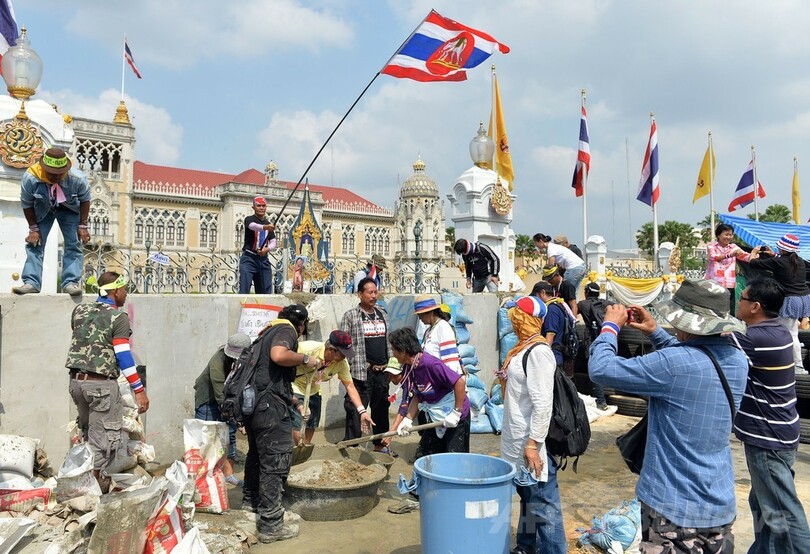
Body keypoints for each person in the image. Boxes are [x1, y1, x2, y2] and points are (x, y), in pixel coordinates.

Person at [589, 279, 748, 552]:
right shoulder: (738, 360)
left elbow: (601, 368)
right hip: (719, 504)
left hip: (672, 507)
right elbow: (692, 358)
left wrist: (610, 327)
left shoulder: (673, 365)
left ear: (684, 321)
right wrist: (654, 332)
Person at [732, 278, 810, 552]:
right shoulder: (777, 330)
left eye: (741, 299)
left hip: (768, 438)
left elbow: (708, 336)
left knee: (783, 512)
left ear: (755, 307)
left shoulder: (755, 338)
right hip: (782, 432)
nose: (737, 303)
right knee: (764, 503)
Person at [65, 271, 150, 491]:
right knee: (103, 442)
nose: (126, 295)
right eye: (124, 290)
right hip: (101, 386)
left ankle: (77, 484)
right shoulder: (118, 317)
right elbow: (123, 355)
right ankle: (95, 493)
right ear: (114, 291)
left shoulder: (79, 310)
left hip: (76, 384)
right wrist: (138, 389)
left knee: (87, 433)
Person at [241, 304, 318, 543]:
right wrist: (306, 359)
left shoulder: (265, 332)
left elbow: (270, 380)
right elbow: (279, 355)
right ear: (302, 324)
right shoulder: (287, 331)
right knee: (275, 461)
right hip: (269, 410)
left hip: (255, 406)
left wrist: (295, 404)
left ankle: (250, 503)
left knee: (257, 455)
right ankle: (271, 525)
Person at [499, 296, 565, 554]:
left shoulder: (538, 352)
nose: (513, 321)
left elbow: (543, 404)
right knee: (528, 499)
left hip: (531, 443)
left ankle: (552, 550)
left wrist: (532, 445)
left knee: (544, 506)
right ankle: (526, 546)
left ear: (523, 320)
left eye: (515, 317)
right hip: (517, 439)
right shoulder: (521, 349)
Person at [13, 148, 91, 296]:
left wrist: (83, 225)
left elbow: (85, 200)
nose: (55, 177)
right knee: (35, 243)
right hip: (43, 208)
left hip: (69, 209)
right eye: (51, 173)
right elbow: (27, 204)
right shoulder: (30, 178)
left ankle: (70, 283)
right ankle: (31, 282)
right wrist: (33, 229)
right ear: (43, 168)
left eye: (59, 174)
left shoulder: (77, 178)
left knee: (73, 243)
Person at [382, 327, 470, 459]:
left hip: (455, 416)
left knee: (454, 460)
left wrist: (456, 412)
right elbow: (418, 394)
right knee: (424, 457)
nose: (393, 353)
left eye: (394, 350)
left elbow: (460, 382)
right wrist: (407, 420)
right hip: (436, 415)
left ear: (404, 351)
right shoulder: (409, 367)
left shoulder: (430, 364)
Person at [290, 330, 373, 445]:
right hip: (295, 387)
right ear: (330, 349)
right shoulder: (306, 349)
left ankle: (304, 449)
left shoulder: (341, 364)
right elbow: (284, 357)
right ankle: (297, 446)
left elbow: (350, 386)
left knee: (312, 423)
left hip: (313, 390)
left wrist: (362, 411)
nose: (345, 358)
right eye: (343, 354)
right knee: (298, 424)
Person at [340, 277, 393, 455]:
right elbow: (343, 344)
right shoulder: (351, 315)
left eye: (375, 292)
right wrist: (355, 363)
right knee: (356, 411)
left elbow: (389, 343)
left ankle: (380, 445)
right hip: (361, 373)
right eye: (369, 292)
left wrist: (391, 368)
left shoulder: (382, 313)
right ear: (360, 294)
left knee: (381, 409)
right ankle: (352, 448)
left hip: (382, 372)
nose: (374, 295)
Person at [193, 332, 252, 487]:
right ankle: (203, 477)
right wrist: (237, 420)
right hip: (209, 400)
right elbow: (220, 396)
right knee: (207, 437)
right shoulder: (217, 362)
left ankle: (228, 475)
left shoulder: (245, 362)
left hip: (228, 401)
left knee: (229, 437)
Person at [748, 234, 810, 374]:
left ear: (782, 249)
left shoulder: (779, 262)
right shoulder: (799, 261)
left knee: (791, 333)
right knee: (791, 330)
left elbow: (753, 263)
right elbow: (783, 262)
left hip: (790, 299)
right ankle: (791, 361)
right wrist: (774, 255)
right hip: (803, 298)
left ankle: (798, 366)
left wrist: (753, 253)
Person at [577, 282, 611, 412]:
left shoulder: (583, 304)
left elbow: (571, 313)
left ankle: (601, 401)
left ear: (586, 292)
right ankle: (602, 399)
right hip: (606, 338)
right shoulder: (607, 303)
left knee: (594, 369)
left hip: (591, 340)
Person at [705, 223, 753, 313]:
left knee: (728, 310)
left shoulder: (734, 247)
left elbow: (746, 257)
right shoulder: (711, 246)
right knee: (713, 309)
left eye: (730, 235)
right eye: (726, 234)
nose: (728, 237)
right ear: (718, 235)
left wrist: (754, 254)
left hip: (729, 284)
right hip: (714, 284)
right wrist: (729, 255)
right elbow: (714, 257)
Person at [532, 281, 576, 377]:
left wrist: (544, 357)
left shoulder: (551, 309)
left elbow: (550, 334)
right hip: (561, 355)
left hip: (554, 357)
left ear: (543, 293)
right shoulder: (561, 304)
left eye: (536, 296)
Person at [413, 295, 463, 375]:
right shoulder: (429, 331)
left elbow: (450, 362)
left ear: (430, 312)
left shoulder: (443, 327)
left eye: (421, 315)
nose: (420, 319)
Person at [239, 197, 277, 294]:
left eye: (263, 206)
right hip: (249, 258)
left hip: (263, 260)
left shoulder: (268, 224)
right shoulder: (249, 219)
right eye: (258, 206)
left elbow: (273, 242)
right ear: (253, 207)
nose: (261, 208)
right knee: (244, 289)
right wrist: (265, 227)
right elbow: (253, 226)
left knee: (266, 291)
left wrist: (267, 249)